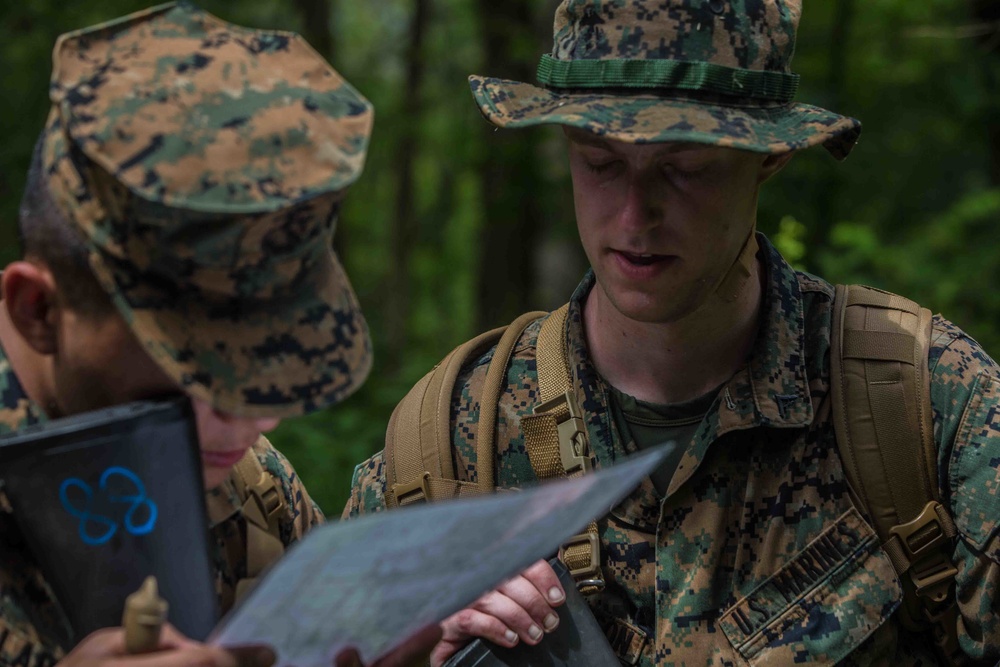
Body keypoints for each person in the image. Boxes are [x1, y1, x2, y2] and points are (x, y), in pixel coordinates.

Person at [344, 0, 1000, 665]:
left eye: (683, 168)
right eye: (600, 163)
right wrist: (414, 648)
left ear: (769, 154)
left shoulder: (925, 408)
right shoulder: (449, 447)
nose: (635, 215)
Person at [0, 4, 437, 666]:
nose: (258, 417)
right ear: (38, 311)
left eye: (270, 363)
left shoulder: (244, 482)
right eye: (198, 366)